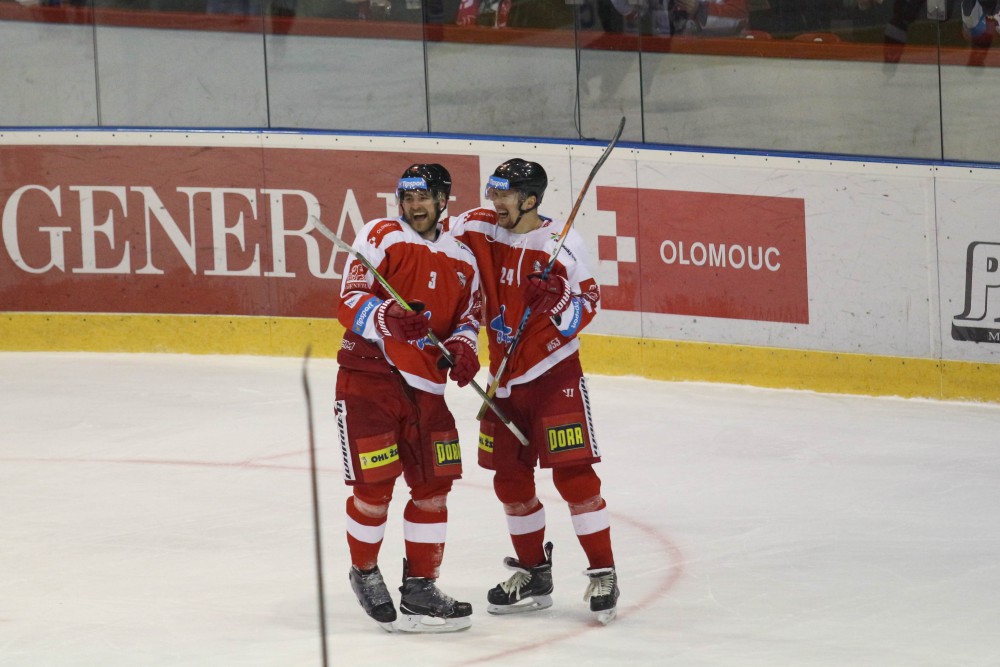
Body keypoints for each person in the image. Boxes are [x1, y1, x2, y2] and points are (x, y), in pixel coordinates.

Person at [446, 159, 620, 625]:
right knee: (509, 480)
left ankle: (603, 572)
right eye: (492, 192)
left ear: (529, 200)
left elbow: (588, 305)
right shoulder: (477, 226)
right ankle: (533, 572)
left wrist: (558, 300)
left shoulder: (561, 242)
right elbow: (432, 238)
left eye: (504, 194)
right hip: (503, 379)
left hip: (552, 374)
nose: (494, 201)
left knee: (574, 476)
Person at [335, 163, 482, 633]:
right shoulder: (380, 234)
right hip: (370, 378)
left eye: (423, 197)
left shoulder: (463, 256)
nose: (414, 206)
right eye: (407, 197)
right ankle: (364, 572)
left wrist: (463, 348)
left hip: (428, 389)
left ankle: (421, 588)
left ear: (442, 201)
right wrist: (389, 318)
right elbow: (349, 300)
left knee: (435, 486)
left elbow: (469, 316)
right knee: (375, 487)